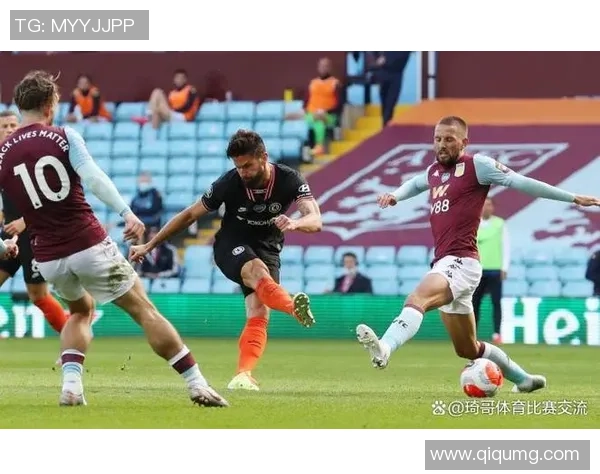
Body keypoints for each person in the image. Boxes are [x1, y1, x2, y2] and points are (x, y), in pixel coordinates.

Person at [0, 70, 228, 408]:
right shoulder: (64, 136)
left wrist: (2, 245)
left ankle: (72, 386)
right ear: (50, 105)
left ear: (20, 108)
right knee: (144, 310)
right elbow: (93, 178)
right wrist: (126, 213)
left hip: (47, 256)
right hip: (86, 243)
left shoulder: (2, 153)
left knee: (79, 311)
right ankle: (197, 384)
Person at [356, 115, 600, 394]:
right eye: (437, 139)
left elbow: (522, 182)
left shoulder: (478, 166)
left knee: (417, 299)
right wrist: (395, 196)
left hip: (461, 261)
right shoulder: (434, 171)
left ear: (464, 142)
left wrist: (572, 197)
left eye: (449, 139)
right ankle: (524, 379)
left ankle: (385, 347)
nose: (442, 145)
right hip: (447, 262)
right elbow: (414, 183)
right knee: (467, 349)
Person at [130, 129, 323, 391]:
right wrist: (149, 245)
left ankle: (243, 375)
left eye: (248, 166)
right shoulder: (228, 183)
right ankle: (293, 308)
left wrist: (295, 223)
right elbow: (189, 215)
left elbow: (315, 220)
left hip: (268, 246)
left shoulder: (290, 179)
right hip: (231, 244)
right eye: (238, 166)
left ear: (264, 157)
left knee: (259, 311)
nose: (243, 172)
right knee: (257, 271)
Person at [0, 110, 68, 335]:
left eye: (13, 125)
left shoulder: (27, 156)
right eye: (4, 126)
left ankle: (72, 337)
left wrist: (24, 220)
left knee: (38, 295)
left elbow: (50, 196)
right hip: (10, 235)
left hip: (34, 233)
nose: (9, 130)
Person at [473, 197, 510, 344]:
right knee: (474, 303)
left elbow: (505, 246)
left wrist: (504, 267)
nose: (486, 208)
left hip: (495, 269)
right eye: (483, 205)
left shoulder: (500, 224)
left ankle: (497, 334)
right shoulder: (473, 223)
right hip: (477, 270)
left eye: (488, 205)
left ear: (493, 207)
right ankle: (472, 334)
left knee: (496, 303)